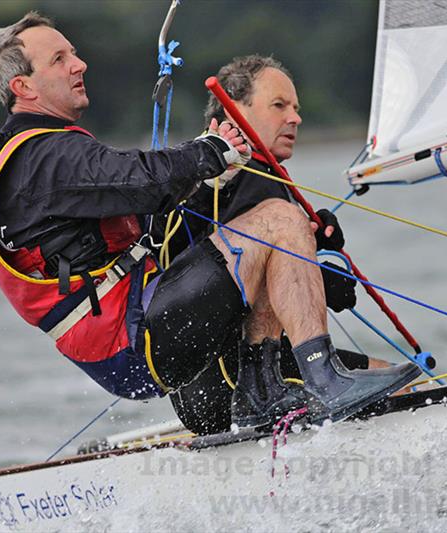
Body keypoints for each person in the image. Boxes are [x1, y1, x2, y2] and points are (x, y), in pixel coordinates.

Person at [0, 13, 421, 433]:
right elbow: (142, 179)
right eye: (60, 59)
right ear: (24, 87)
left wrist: (313, 242)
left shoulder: (34, 157)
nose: (80, 64)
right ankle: (323, 381)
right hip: (134, 341)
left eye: (73, 53)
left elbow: (146, 208)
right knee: (279, 221)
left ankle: (269, 392)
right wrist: (210, 153)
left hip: (132, 337)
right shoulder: (43, 156)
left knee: (280, 228)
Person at [168, 55, 399, 435]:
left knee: (382, 374)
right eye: (279, 106)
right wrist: (324, 270)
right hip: (236, 380)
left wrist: (317, 250)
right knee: (398, 383)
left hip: (200, 389)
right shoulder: (249, 178)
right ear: (234, 110)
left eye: (296, 108)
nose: (295, 118)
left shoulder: (227, 175)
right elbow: (277, 286)